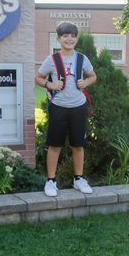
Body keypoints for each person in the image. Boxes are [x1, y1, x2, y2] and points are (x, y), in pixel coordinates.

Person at [35, 22, 97, 196]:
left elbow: (93, 76)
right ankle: (51, 181)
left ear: (76, 38)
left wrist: (85, 82)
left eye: (72, 36)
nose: (69, 39)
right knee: (55, 145)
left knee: (78, 145)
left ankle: (78, 179)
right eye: (65, 36)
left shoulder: (82, 59)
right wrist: (50, 84)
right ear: (58, 39)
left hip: (78, 107)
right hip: (58, 108)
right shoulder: (51, 60)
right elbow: (38, 78)